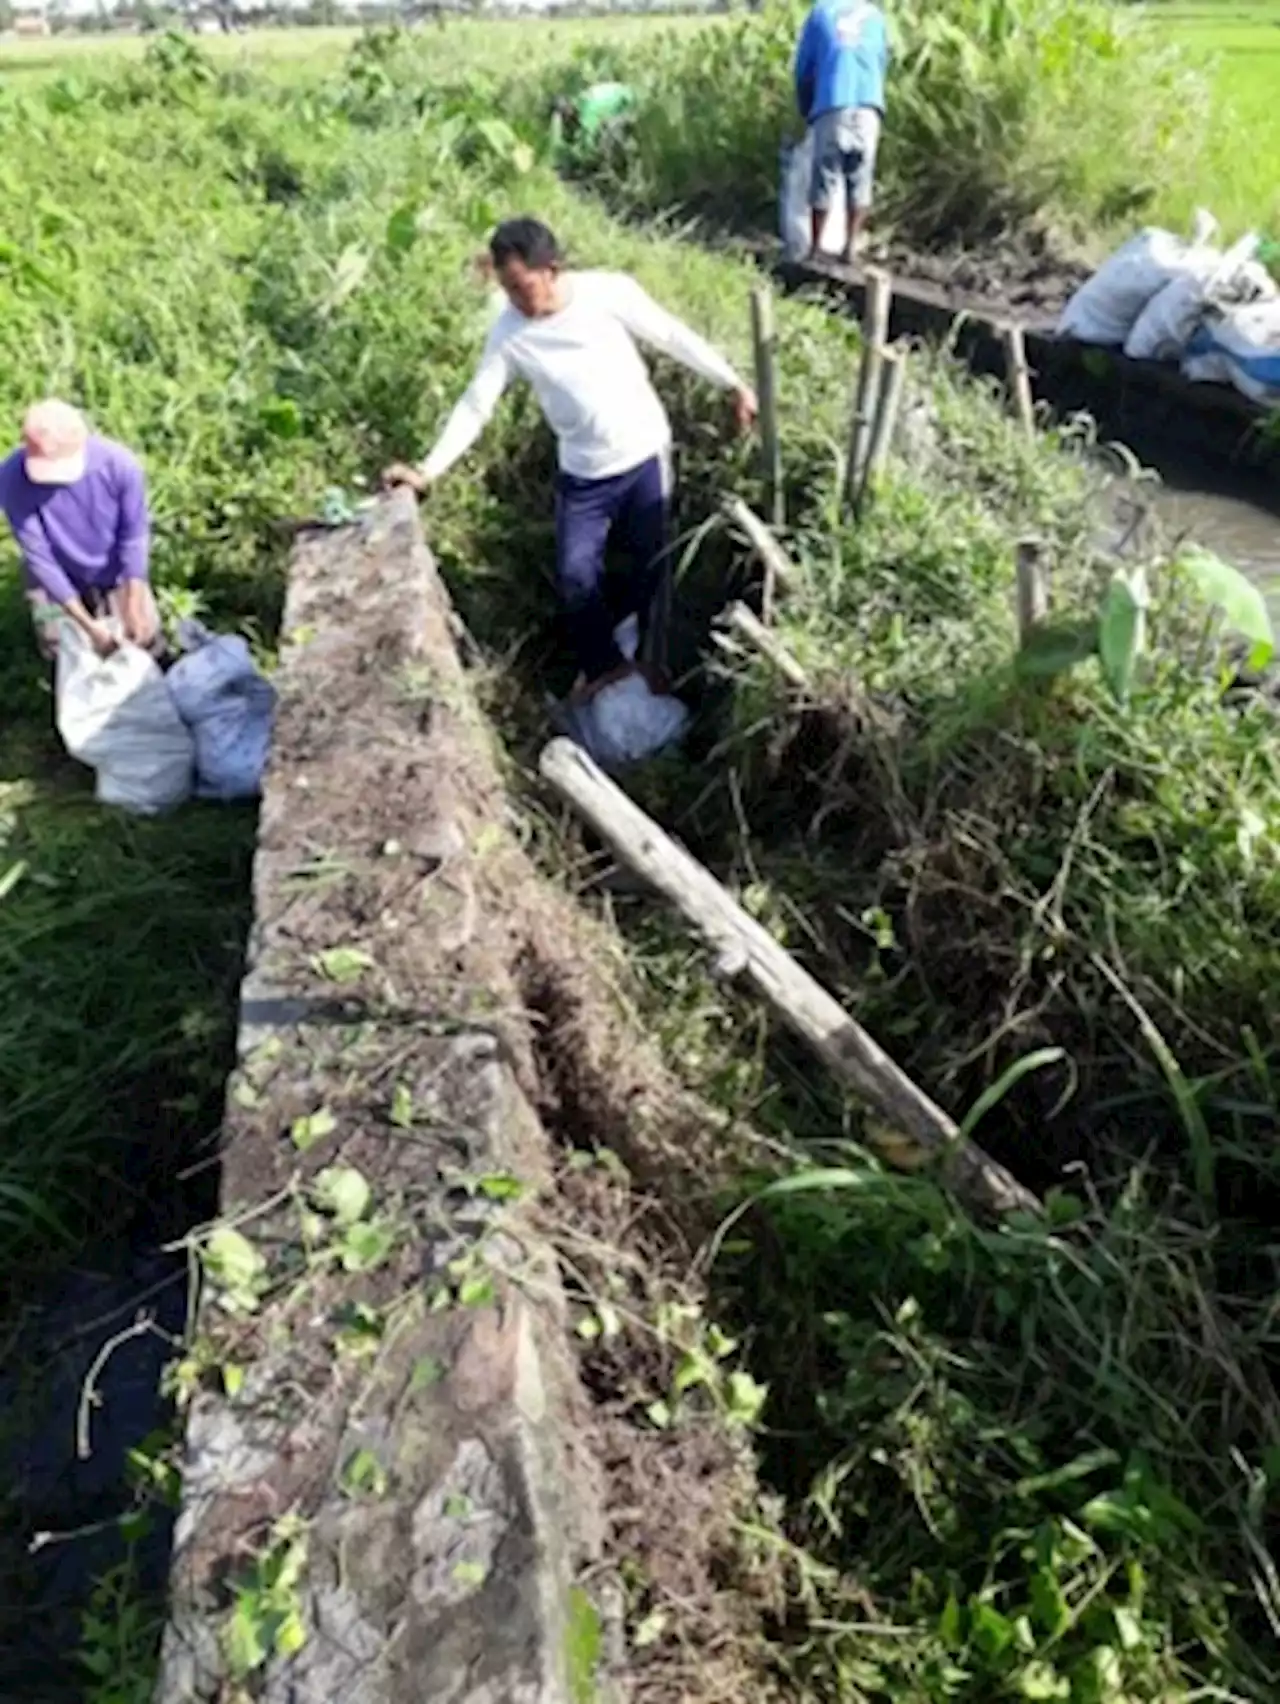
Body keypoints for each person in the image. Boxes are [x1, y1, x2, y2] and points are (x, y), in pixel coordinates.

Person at [384, 217, 757, 700]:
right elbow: (476, 404)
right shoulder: (509, 333)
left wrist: (732, 383)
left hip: (644, 456)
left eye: (522, 287)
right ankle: (604, 666)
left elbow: (670, 334)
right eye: (506, 289)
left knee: (653, 566)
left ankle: (654, 662)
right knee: (576, 574)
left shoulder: (609, 293)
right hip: (584, 474)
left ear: (553, 270)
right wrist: (427, 470)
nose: (516, 300)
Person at [0, 399, 161, 662]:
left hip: (114, 570)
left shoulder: (120, 466)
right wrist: (87, 624)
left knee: (143, 632)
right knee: (60, 645)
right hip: (53, 577)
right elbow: (40, 558)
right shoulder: (11, 478)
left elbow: (133, 539)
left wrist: (133, 601)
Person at [794, 0, 890, 263]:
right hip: (870, 105)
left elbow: (804, 69)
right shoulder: (875, 16)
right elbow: (882, 61)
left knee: (825, 175)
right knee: (860, 178)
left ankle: (815, 249)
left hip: (833, 101)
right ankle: (849, 247)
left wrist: (805, 108)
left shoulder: (821, 13)